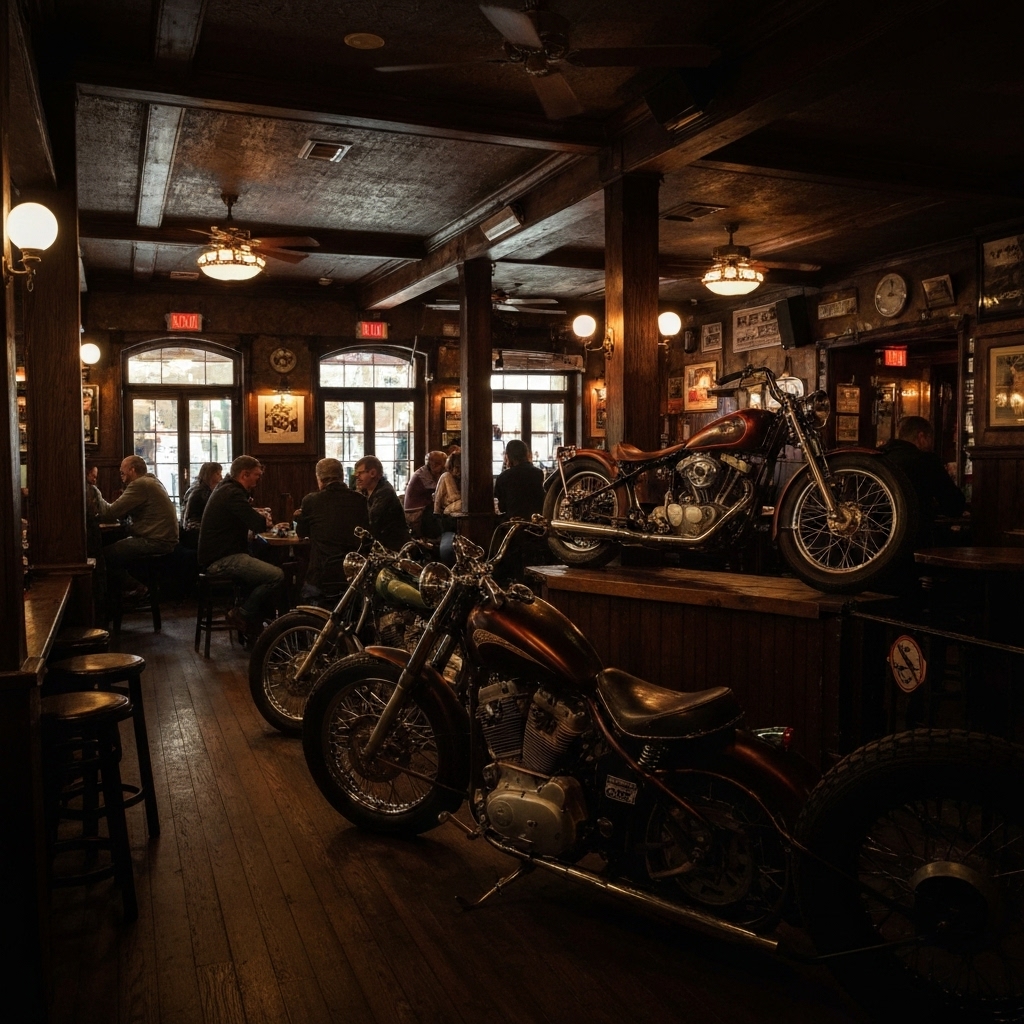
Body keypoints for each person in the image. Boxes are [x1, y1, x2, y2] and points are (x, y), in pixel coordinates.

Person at [197, 455, 284, 637]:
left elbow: (247, 517)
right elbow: (258, 524)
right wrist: (264, 519)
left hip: (216, 556)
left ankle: (256, 629)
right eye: (256, 475)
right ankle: (242, 614)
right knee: (276, 575)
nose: (258, 480)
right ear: (244, 474)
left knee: (261, 567)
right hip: (221, 560)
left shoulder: (226, 488)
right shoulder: (233, 493)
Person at [95, 456, 180, 598]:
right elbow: (122, 513)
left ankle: (135, 589)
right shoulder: (152, 481)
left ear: (132, 470)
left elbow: (110, 513)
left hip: (155, 541)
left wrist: (94, 492)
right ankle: (129, 591)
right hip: (166, 539)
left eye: (122, 473)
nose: (121, 477)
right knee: (113, 548)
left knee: (104, 555)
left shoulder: (140, 484)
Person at [881, 415, 967, 546]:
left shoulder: (879, 458)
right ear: (921, 437)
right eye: (930, 439)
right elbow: (953, 505)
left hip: (876, 543)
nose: (932, 444)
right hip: (915, 540)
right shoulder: (926, 460)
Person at [295, 458, 370, 604]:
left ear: (319, 479)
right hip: (353, 574)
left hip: (321, 576)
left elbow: (301, 532)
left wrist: (299, 517)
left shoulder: (311, 500)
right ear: (342, 477)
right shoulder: (360, 500)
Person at [353, 455, 411, 552]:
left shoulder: (385, 492)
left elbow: (371, 520)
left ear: (373, 473)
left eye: (360, 473)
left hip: (393, 549)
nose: (356, 476)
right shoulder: (365, 491)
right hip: (378, 544)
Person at [494, 438, 545, 520]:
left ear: (508, 456)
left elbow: (502, 508)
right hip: (535, 522)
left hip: (513, 523)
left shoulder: (504, 477)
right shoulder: (538, 473)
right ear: (526, 454)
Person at [403, 450, 447, 536]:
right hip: (415, 514)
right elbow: (438, 490)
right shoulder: (422, 475)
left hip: (421, 509)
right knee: (444, 518)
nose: (444, 468)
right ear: (434, 464)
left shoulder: (428, 471)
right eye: (442, 465)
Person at [179, 462, 223, 548]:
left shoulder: (198, 487)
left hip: (189, 530)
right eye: (218, 474)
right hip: (195, 532)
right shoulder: (202, 492)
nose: (221, 477)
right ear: (209, 475)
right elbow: (213, 513)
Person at [433, 451, 462, 522]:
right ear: (451, 467)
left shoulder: (460, 478)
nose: (459, 471)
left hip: (457, 507)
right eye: (457, 468)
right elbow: (454, 497)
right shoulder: (446, 476)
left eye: (460, 468)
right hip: (448, 509)